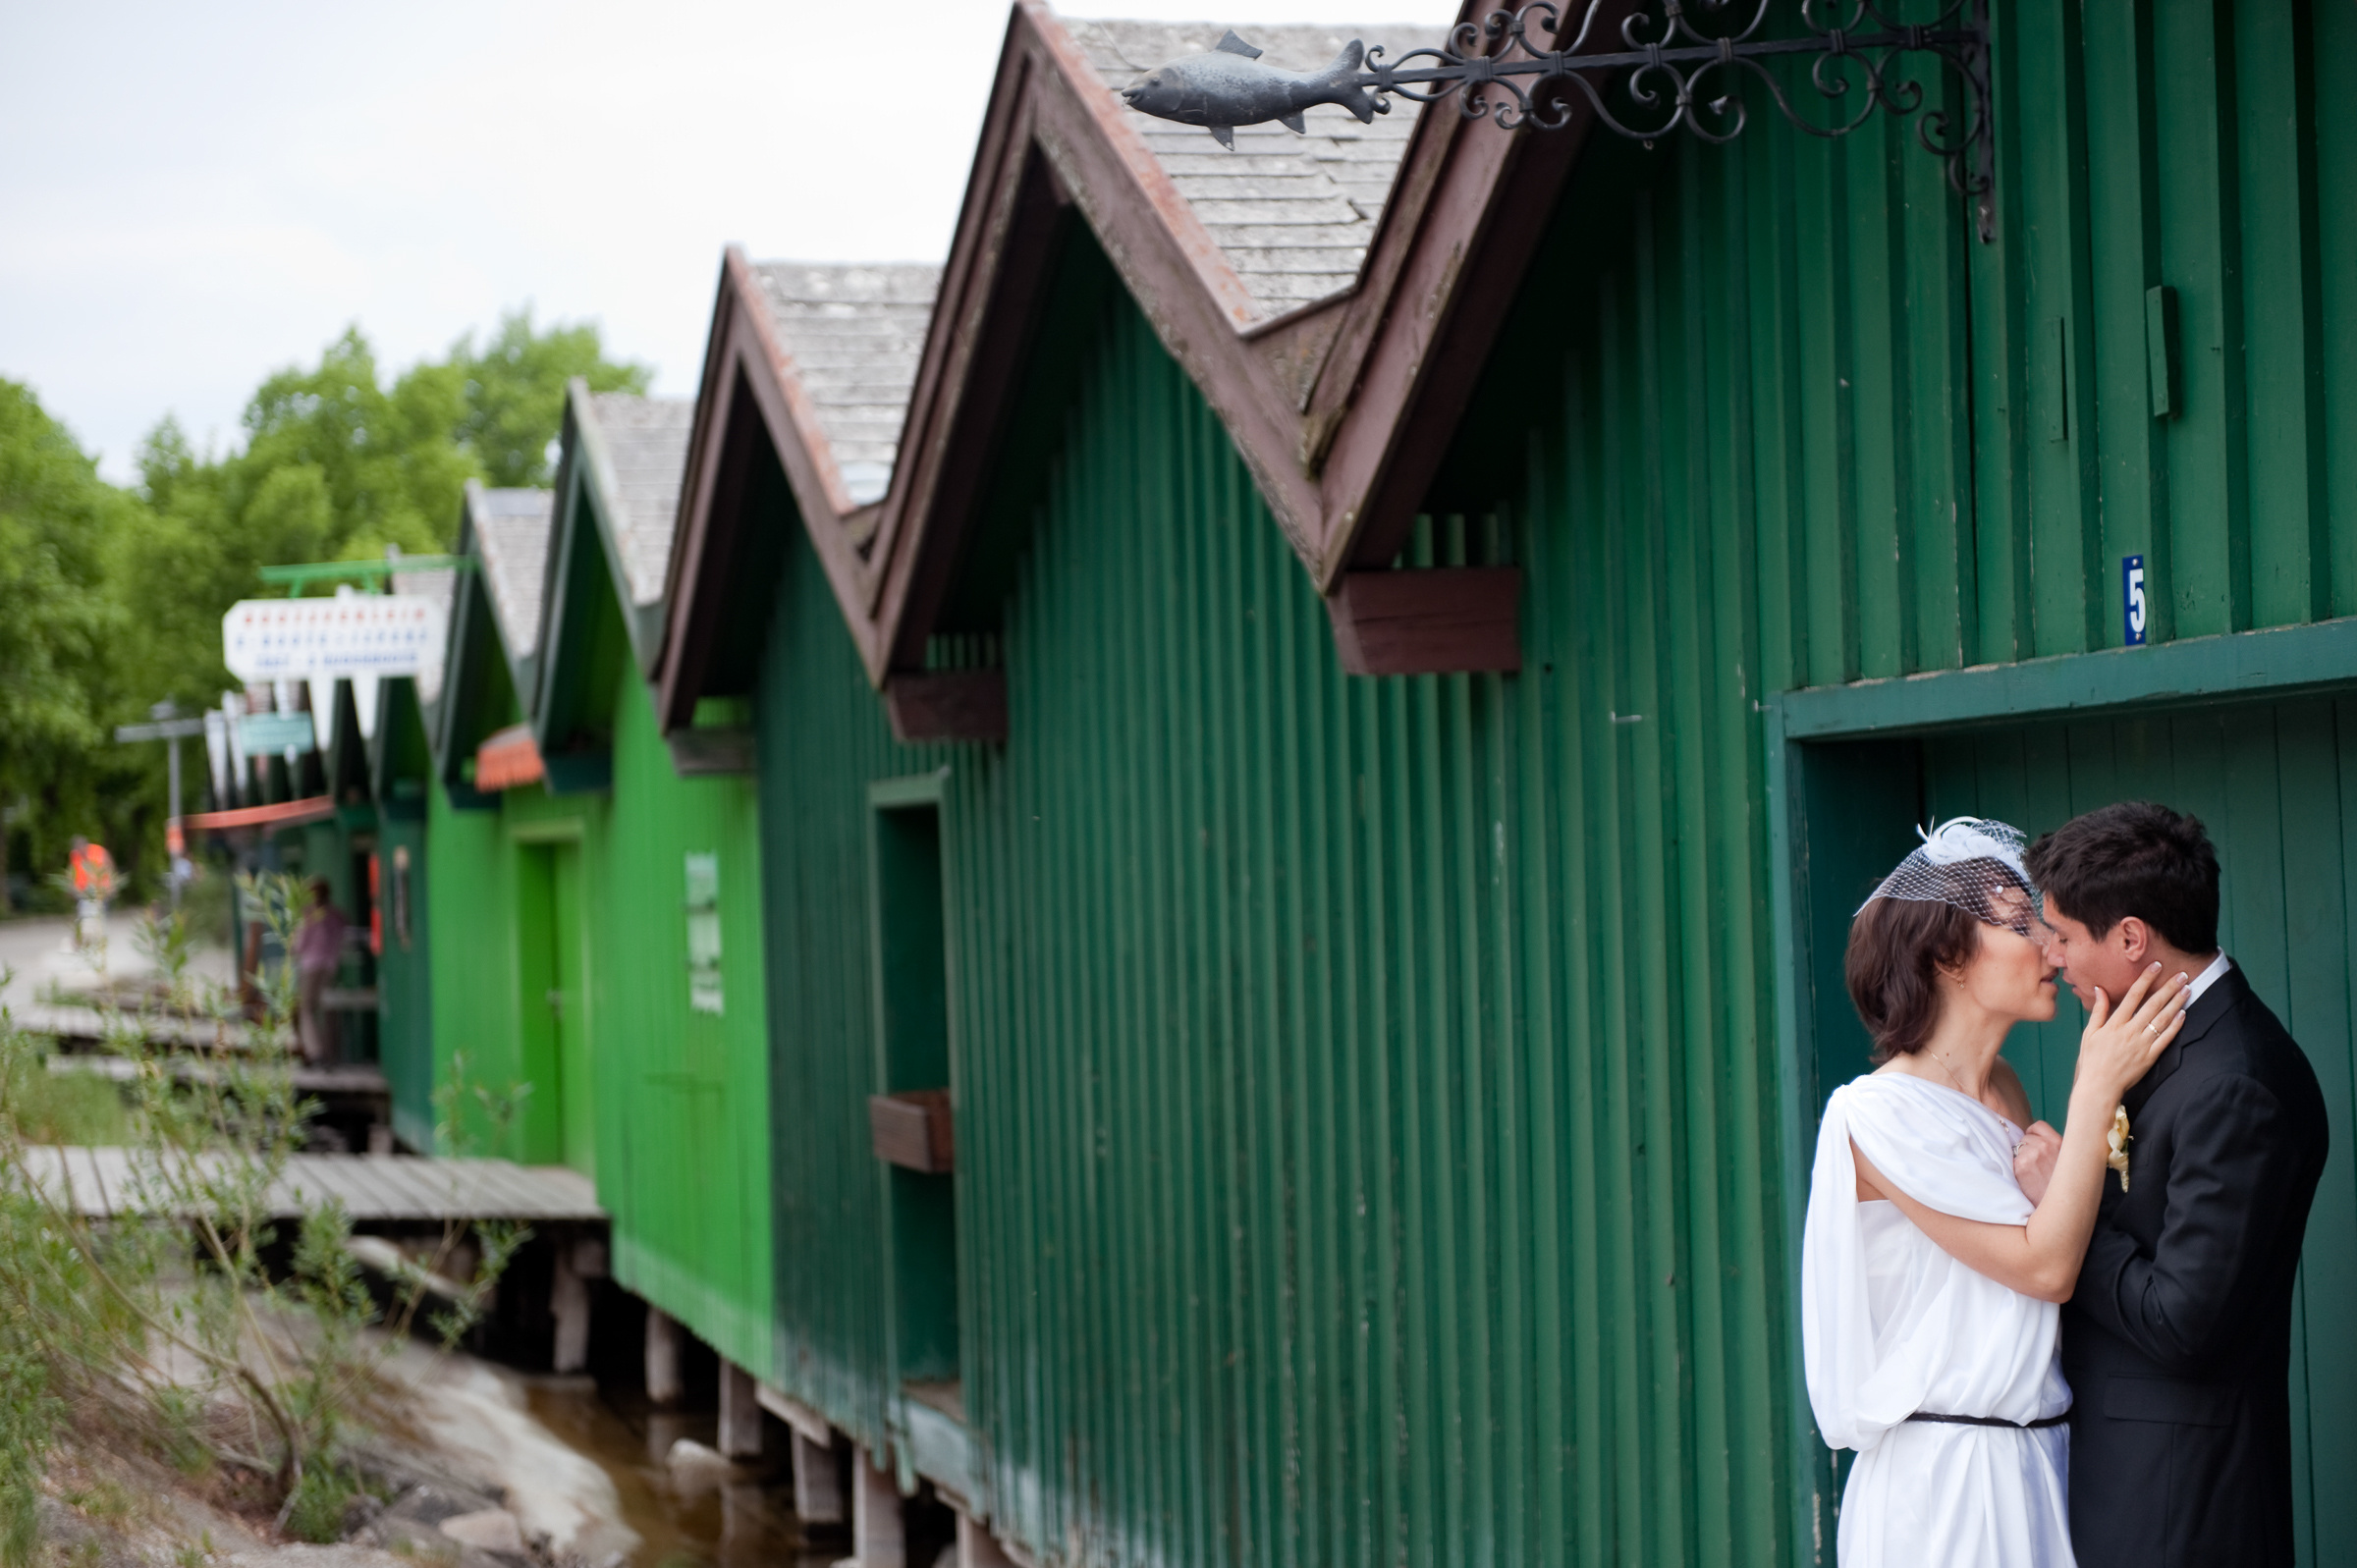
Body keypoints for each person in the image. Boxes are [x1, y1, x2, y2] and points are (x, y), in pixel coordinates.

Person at [1802, 818, 2190, 1567]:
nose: (2053, 949)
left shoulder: (2004, 1089)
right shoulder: (1876, 1113)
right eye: (2022, 926)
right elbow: (2045, 1267)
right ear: (1947, 954)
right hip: (1947, 1488)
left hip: (2039, 1462)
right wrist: (2096, 1089)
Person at [2020, 804, 2329, 1568]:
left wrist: (2069, 1203)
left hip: (2178, 1507)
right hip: (2128, 1482)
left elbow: (2183, 1321)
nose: (2052, 956)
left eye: (2062, 934)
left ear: (2130, 937)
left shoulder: (2237, 1083)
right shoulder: (2167, 1042)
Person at [293, 877, 350, 1065]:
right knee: (327, 1009)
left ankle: (316, 1053)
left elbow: (299, 945)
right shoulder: (336, 915)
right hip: (331, 967)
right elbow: (345, 930)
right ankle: (330, 1051)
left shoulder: (309, 916)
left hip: (311, 966)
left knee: (307, 1009)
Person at [67, 835, 117, 951]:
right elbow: (72, 870)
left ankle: (98, 940)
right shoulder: (75, 855)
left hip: (100, 890)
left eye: (80, 849)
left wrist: (112, 885)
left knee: (100, 915)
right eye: (77, 850)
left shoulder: (98, 851)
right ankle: (81, 941)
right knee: (82, 915)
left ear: (85, 846)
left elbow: (110, 866)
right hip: (83, 891)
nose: (79, 852)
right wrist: (70, 886)